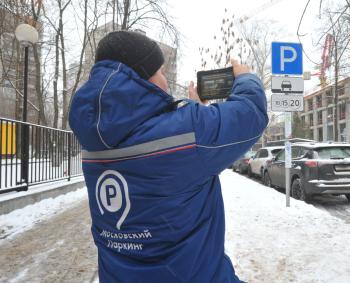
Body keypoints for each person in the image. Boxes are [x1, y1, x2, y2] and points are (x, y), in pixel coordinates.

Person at [68, 30, 268, 283]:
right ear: (142, 78)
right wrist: (246, 77)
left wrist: (195, 113)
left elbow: (162, 151)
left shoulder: (93, 140)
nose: (165, 82)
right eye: (161, 72)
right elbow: (250, 114)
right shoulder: (189, 131)